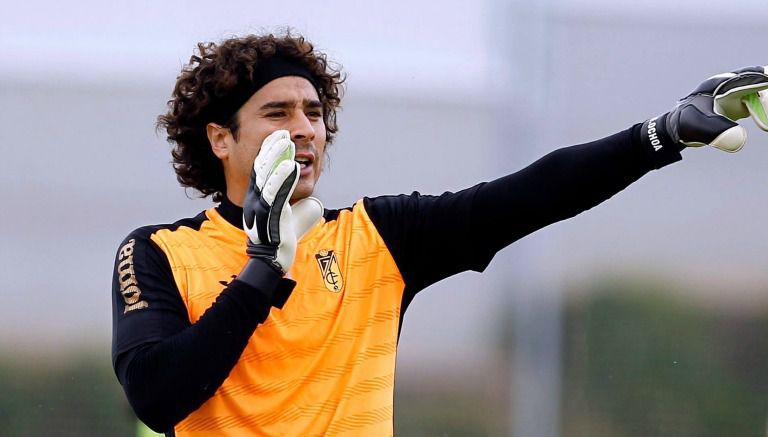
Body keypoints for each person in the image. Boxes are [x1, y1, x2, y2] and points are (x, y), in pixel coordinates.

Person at [111, 31, 768, 436]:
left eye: (315, 111)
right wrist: (261, 269)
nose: (307, 127)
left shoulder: (375, 237)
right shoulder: (159, 252)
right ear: (221, 138)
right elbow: (159, 394)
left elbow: (528, 195)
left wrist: (661, 133)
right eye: (278, 111)